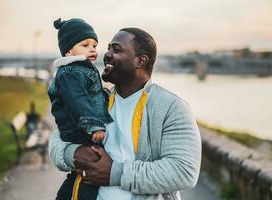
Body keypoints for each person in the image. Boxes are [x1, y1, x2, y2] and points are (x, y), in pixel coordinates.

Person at [49, 27, 202, 200]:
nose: (106, 54)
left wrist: (115, 173)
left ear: (140, 61)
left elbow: (184, 171)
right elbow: (56, 140)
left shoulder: (171, 107)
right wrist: (73, 153)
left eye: (116, 49)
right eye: (108, 48)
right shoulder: (96, 100)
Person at [48, 18, 113, 200]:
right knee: (92, 172)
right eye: (85, 45)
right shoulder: (71, 72)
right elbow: (78, 101)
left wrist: (104, 94)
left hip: (81, 128)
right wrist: (94, 125)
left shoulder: (82, 69)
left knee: (81, 173)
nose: (92, 49)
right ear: (69, 50)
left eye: (94, 44)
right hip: (80, 130)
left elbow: (91, 96)